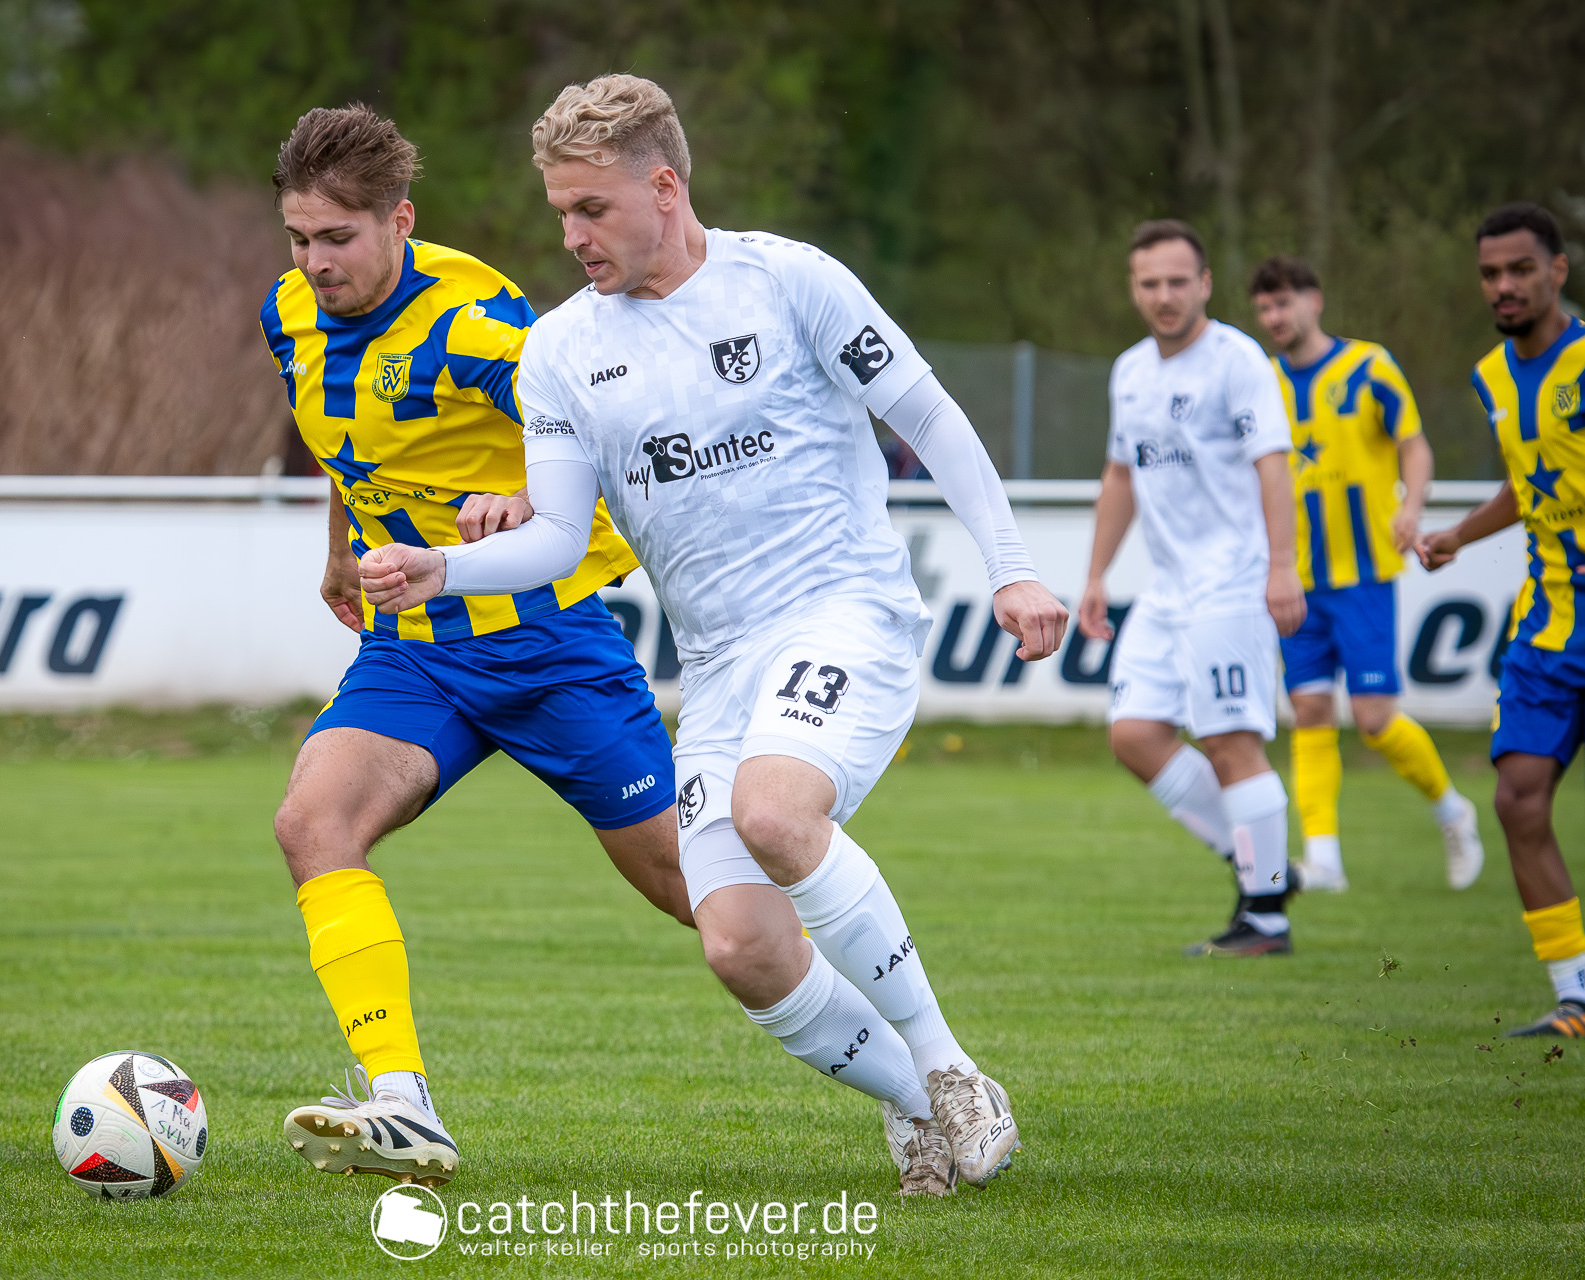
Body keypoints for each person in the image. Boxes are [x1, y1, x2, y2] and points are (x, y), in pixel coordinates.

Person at [359, 74, 1069, 1193]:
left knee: (774, 813)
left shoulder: (788, 280)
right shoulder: (560, 349)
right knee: (738, 943)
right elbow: (556, 538)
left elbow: (928, 415)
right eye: (560, 211)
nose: (571, 235)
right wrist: (443, 569)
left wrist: (1013, 567)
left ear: (664, 186)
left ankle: (949, 1068)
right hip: (721, 665)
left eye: (591, 209)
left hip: (842, 610)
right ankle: (911, 1102)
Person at [258, 104, 690, 1186]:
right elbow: (352, 446)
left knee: (701, 893)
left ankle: (924, 1067)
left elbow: (605, 435)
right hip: (412, 649)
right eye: (299, 238)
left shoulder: (479, 324)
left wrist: (532, 504)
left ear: (400, 221)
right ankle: (402, 1106)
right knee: (313, 822)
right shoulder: (289, 314)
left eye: (337, 238)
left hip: (546, 643)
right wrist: (339, 552)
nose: (313, 263)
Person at [1078, 220, 1306, 956]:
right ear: (1133, 290)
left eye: (1179, 281)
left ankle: (1266, 914)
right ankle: (1263, 862)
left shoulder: (1238, 361)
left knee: (1230, 740)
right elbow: (1121, 475)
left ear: (1205, 284)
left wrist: (1281, 567)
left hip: (1233, 580)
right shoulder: (1130, 370)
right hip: (1168, 588)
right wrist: (1095, 575)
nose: (1165, 296)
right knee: (1134, 735)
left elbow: (1274, 465)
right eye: (1150, 283)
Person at [1249, 255, 1484, 893]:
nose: (1274, 317)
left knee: (1375, 718)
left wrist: (1411, 506)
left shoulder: (1368, 367)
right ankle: (1323, 859)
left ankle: (1452, 811)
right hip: (1294, 578)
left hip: (1362, 576)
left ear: (1314, 300)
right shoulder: (1261, 382)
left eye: (1283, 303)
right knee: (1308, 709)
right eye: (1264, 308)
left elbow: (1414, 443)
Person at [1417, 202, 1585, 1039]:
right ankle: (1576, 997)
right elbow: (1531, 481)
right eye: (1490, 273)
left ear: (1558, 269)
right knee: (1519, 799)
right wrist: (1459, 534)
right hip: (1549, 625)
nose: (1504, 286)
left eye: (1521, 269)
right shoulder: (1492, 376)